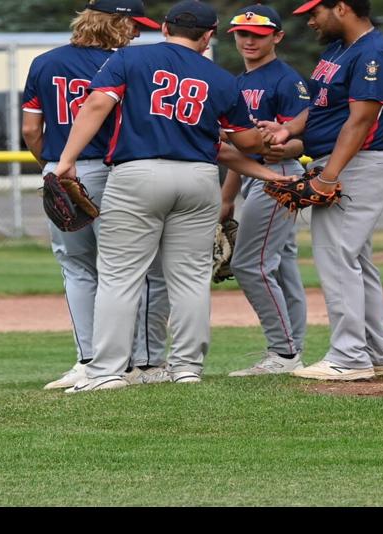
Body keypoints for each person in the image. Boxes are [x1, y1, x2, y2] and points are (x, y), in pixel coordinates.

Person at [51, 0, 290, 392]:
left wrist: (67, 159)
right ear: (209, 35)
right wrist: (266, 140)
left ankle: (107, 371)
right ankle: (187, 368)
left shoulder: (130, 59)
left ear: (164, 27)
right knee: (191, 278)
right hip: (199, 178)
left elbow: (97, 102)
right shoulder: (221, 78)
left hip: (138, 174)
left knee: (119, 276)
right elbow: (245, 142)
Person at [21, 0, 174, 390]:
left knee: (77, 268)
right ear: (115, 22)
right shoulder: (130, 64)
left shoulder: (45, 62)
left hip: (61, 169)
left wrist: (52, 166)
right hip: (115, 173)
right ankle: (142, 363)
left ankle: (88, 360)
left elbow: (30, 130)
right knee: (132, 268)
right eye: (133, 24)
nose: (138, 32)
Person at [269, 0, 383, 381]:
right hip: (346, 162)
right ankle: (379, 354)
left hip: (359, 162)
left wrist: (329, 175)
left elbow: (361, 121)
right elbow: (321, 106)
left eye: (315, 12)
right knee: (356, 262)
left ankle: (349, 358)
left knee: (336, 257)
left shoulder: (374, 53)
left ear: (342, 7)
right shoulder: (338, 51)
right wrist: (288, 129)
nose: (310, 20)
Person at [218, 5, 314, 377]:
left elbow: (301, 138)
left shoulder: (286, 80)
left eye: (258, 34)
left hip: (279, 176)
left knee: (250, 265)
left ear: (277, 36)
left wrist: (284, 145)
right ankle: (292, 352)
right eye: (242, 34)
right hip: (254, 175)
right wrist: (227, 199)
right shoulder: (237, 83)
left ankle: (284, 353)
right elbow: (239, 151)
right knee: (283, 267)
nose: (249, 40)